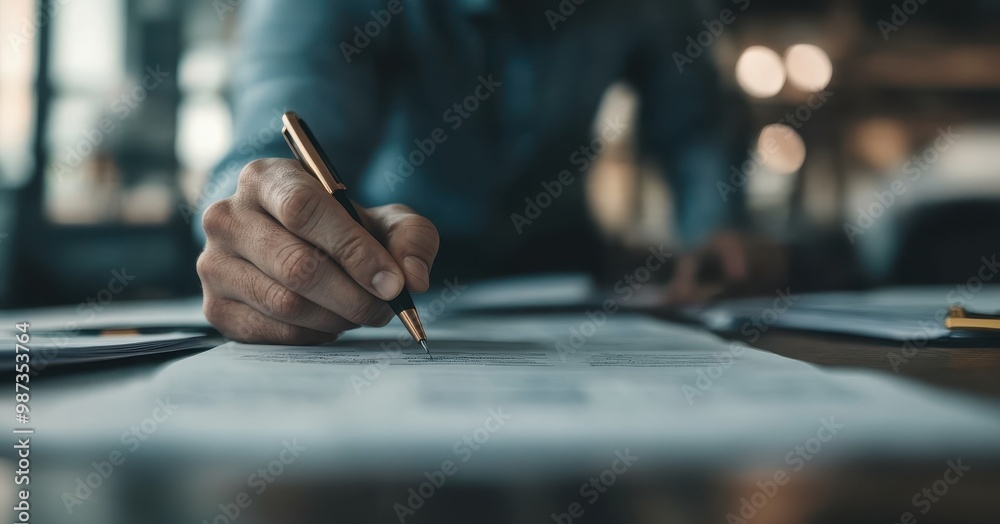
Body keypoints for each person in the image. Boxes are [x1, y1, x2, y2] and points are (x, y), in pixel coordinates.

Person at [195, 0, 766, 344]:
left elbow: (694, 126)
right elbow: (276, 141)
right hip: (384, 265)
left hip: (567, 269)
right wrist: (261, 222)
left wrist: (714, 230)